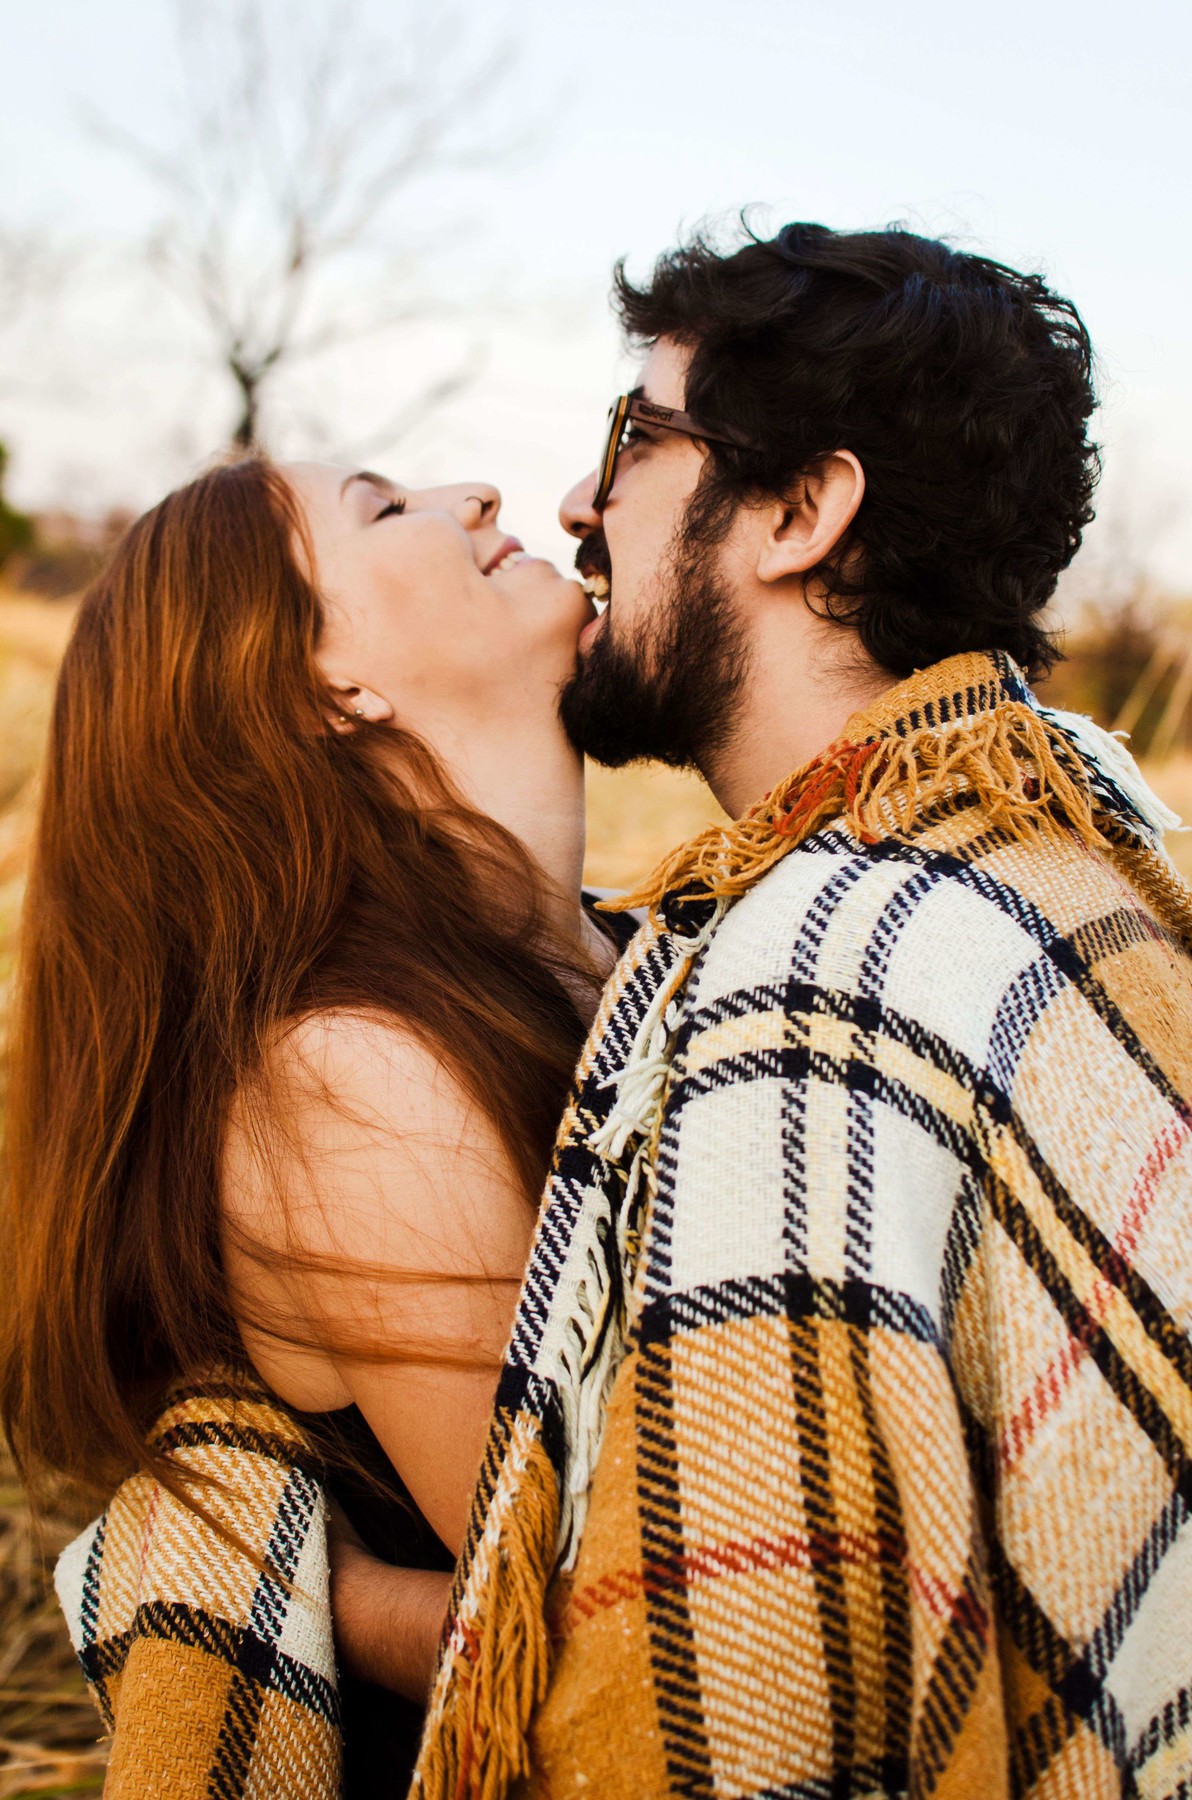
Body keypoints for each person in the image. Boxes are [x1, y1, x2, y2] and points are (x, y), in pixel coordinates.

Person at [342, 224, 1192, 1800]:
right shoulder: (1079, 849)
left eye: (634, 440)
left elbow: (743, 1699)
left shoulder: (818, 978)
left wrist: (299, 1587)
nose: (579, 508)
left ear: (802, 512)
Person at [0, 455, 630, 1793]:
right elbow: (592, 1616)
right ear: (325, 687)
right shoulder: (351, 1080)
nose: (475, 496)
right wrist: (323, 1600)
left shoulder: (643, 948)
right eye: (382, 507)